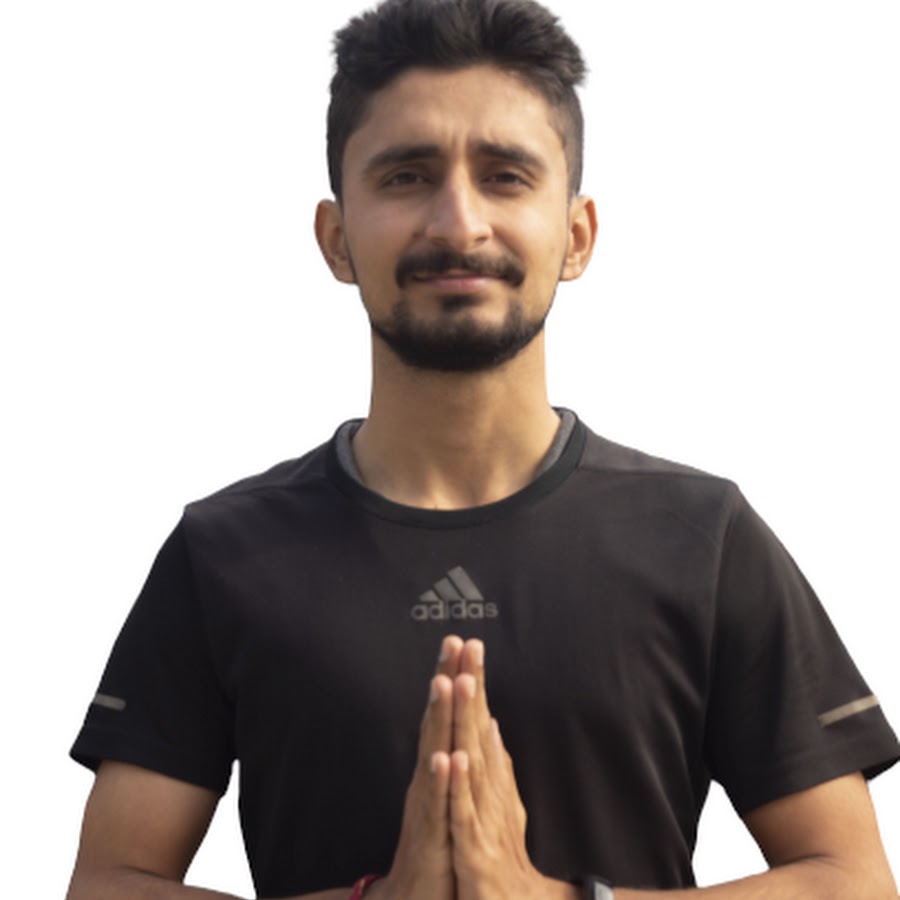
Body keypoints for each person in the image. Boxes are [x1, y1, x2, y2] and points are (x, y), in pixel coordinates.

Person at [66, 0, 899, 897]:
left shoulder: (703, 536)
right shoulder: (224, 552)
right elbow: (108, 883)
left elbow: (853, 881)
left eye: (505, 177)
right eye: (406, 177)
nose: (458, 223)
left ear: (575, 235)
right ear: (336, 239)